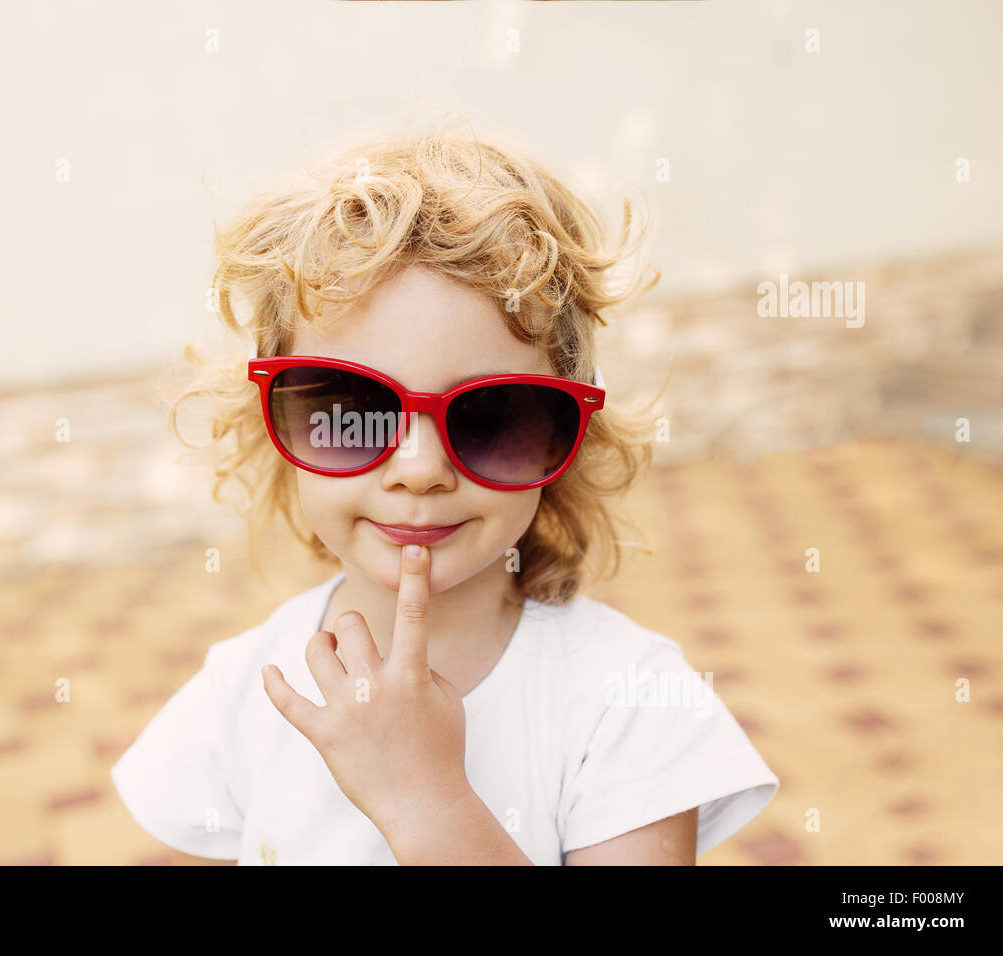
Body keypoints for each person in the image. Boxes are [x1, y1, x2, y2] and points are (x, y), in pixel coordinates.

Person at [111, 119, 778, 865]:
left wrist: (426, 802)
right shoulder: (238, 696)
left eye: (491, 416)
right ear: (280, 423)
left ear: (567, 433)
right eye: (356, 411)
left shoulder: (630, 704)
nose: (419, 468)